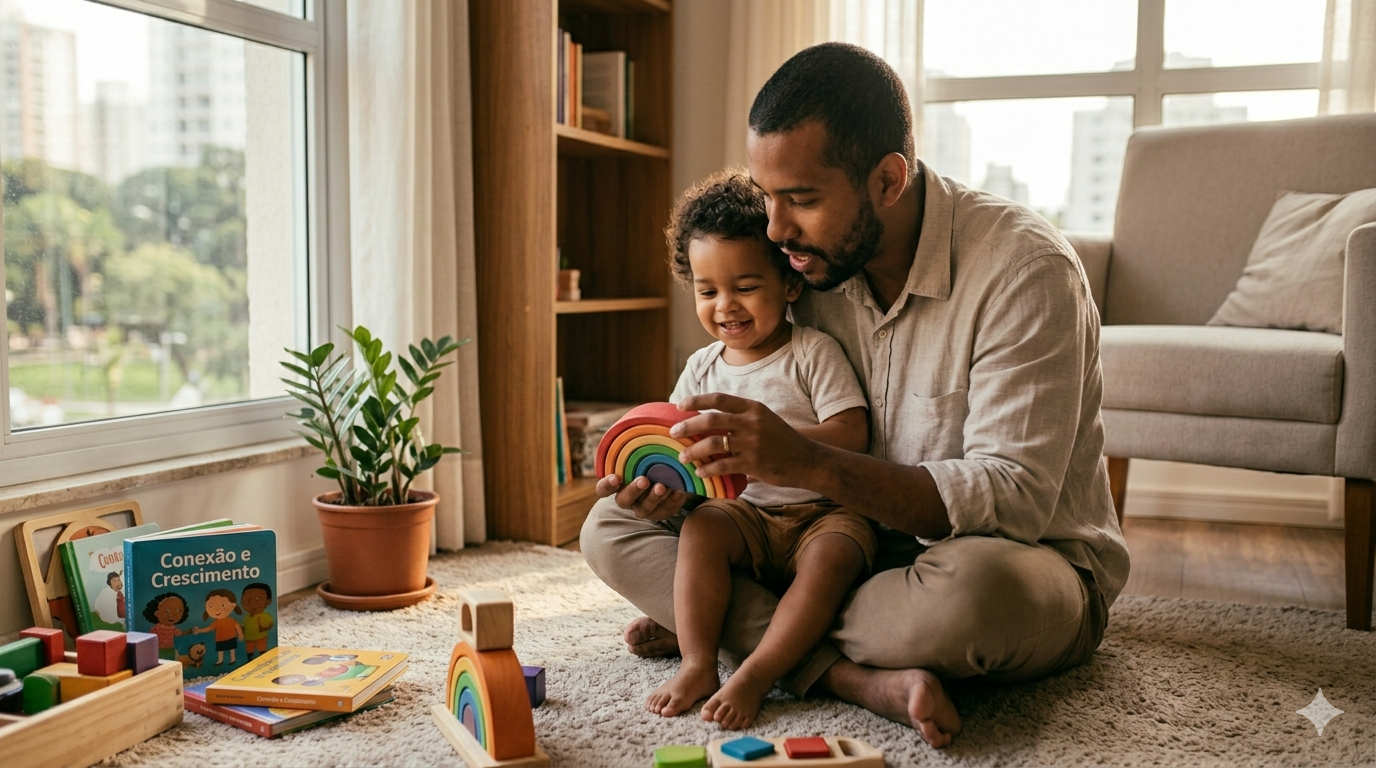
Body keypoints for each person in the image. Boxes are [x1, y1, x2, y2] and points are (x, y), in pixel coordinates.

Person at [581, 42, 1130, 748]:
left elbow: (1016, 498)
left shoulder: (1024, 270)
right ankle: (849, 676)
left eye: (801, 199)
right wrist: (679, 486)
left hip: (994, 561)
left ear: (887, 181)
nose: (775, 230)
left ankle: (737, 628)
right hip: (821, 549)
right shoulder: (800, 264)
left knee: (974, 598)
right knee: (609, 530)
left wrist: (808, 462)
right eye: (766, 196)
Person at [620, 171, 873, 729]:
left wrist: (781, 445)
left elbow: (853, 435)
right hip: (745, 515)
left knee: (835, 557)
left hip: (821, 513)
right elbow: (674, 444)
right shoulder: (701, 367)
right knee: (702, 528)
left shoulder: (812, 352)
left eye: (746, 286)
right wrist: (648, 481)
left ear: (790, 284)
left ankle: (757, 674)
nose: (725, 305)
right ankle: (699, 660)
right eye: (708, 291)